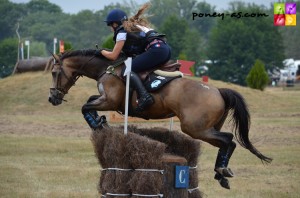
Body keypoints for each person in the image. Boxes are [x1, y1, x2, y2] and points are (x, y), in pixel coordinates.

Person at [96, 3, 171, 112]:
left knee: (127, 70)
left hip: (156, 50)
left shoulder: (122, 32)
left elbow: (113, 56)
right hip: (165, 49)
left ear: (115, 24)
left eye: (110, 25)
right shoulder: (133, 27)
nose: (110, 29)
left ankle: (145, 96)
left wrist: (100, 51)